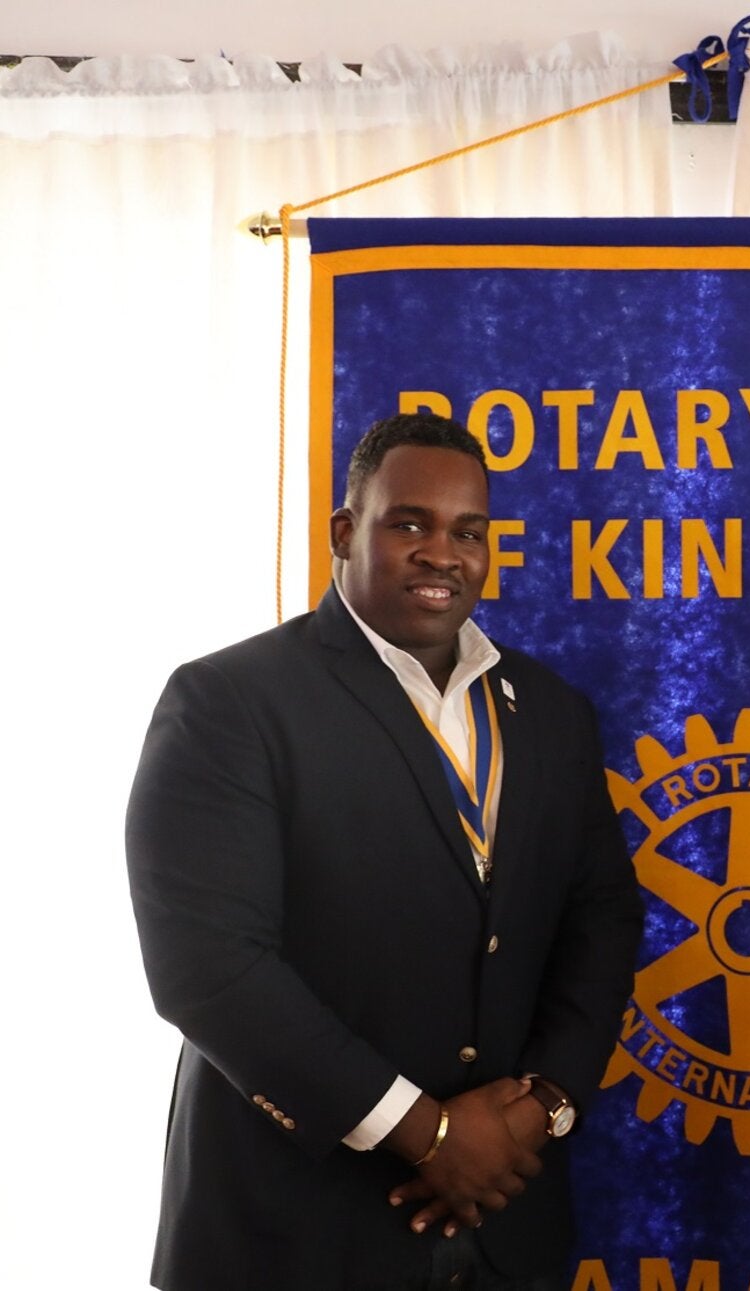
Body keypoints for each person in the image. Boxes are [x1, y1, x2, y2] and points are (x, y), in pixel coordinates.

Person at [127, 411, 644, 1291]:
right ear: (346, 531)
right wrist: (430, 1133)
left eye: (468, 532)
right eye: (410, 522)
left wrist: (544, 1107)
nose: (443, 553)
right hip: (298, 1233)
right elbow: (210, 969)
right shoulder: (230, 701)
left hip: (504, 1228)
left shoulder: (552, 712)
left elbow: (601, 917)